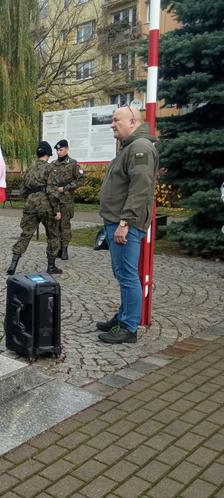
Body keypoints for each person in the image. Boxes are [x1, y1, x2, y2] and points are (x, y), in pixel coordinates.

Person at [96, 105, 158, 344]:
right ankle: (123, 317)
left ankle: (129, 327)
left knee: (128, 275)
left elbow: (140, 189)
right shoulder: (131, 147)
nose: (112, 124)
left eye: (116, 120)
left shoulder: (140, 148)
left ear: (132, 121)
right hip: (118, 221)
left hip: (125, 224)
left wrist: (125, 222)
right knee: (122, 273)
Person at [6, 141, 62, 275]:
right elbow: (53, 191)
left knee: (26, 234)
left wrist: (29, 200)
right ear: (48, 154)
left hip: (30, 204)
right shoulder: (50, 169)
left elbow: (22, 191)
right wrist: (57, 210)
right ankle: (51, 266)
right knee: (53, 235)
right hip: (46, 204)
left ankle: (13, 264)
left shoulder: (29, 168)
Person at [52, 139, 85, 260]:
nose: (59, 152)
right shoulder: (53, 164)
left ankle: (65, 249)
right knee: (55, 226)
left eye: (61, 150)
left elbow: (81, 180)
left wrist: (65, 188)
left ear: (66, 149)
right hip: (55, 200)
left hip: (66, 200)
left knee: (65, 226)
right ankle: (58, 248)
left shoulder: (73, 164)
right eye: (57, 150)